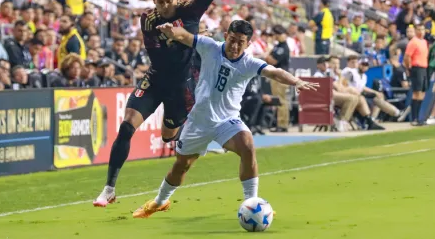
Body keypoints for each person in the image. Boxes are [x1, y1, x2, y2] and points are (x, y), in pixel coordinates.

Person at [132, 20, 318, 218]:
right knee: (182, 165)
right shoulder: (210, 47)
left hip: (227, 121)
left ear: (248, 44)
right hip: (198, 121)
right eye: (232, 39)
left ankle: (251, 203)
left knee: (247, 145)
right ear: (225, 35)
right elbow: (185, 36)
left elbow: (275, 72)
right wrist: (172, 31)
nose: (235, 45)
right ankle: (159, 202)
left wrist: (296, 81)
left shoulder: (249, 63)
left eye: (241, 42)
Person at [93, 0, 215, 207]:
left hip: (180, 88)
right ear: (153, 1)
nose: (165, 6)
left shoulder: (190, 12)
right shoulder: (148, 19)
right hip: (156, 80)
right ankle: (109, 189)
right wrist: (180, 38)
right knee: (127, 124)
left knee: (168, 137)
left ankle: (191, 142)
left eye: (169, 0)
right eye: (160, 2)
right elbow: (159, 57)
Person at [265, 25, 290, 132]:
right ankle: (280, 123)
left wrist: (267, 53)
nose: (276, 36)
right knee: (278, 100)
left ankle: (283, 124)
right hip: (276, 76)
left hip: (281, 77)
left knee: (281, 100)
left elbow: (272, 61)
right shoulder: (277, 46)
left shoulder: (283, 47)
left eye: (278, 34)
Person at [404, 24, 429, 125]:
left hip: (424, 68)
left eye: (422, 29)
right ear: (415, 31)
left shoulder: (424, 42)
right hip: (416, 67)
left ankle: (419, 117)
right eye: (419, 29)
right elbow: (407, 56)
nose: (421, 31)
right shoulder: (413, 42)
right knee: (416, 93)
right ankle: (414, 118)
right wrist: (409, 68)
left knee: (422, 93)